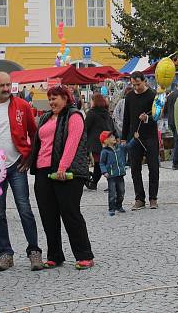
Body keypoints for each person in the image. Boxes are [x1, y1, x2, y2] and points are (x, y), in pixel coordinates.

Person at [0, 72, 44, 272]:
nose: (5, 89)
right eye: (2, 85)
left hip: (17, 165)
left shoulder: (22, 105)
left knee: (25, 209)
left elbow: (34, 132)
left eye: (8, 85)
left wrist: (28, 157)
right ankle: (5, 253)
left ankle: (34, 251)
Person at [31, 85, 94, 270]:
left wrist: (62, 167)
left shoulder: (74, 116)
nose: (51, 102)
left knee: (70, 213)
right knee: (48, 215)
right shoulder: (45, 117)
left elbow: (73, 143)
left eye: (55, 98)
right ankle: (55, 255)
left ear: (66, 98)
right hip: (43, 170)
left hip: (67, 172)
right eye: (50, 98)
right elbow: (39, 143)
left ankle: (84, 255)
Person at [122, 72, 160, 210]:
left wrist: (148, 118)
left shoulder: (153, 95)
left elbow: (157, 115)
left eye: (138, 84)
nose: (136, 87)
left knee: (153, 168)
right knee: (135, 169)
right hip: (134, 137)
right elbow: (126, 118)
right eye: (133, 84)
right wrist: (123, 138)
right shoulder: (130, 96)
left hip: (150, 136)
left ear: (144, 81)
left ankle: (153, 198)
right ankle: (139, 198)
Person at [83, 93, 114, 190]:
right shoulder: (106, 113)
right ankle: (111, 183)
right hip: (108, 141)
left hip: (96, 142)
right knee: (107, 163)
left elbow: (85, 127)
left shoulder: (92, 113)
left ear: (94, 101)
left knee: (98, 163)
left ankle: (94, 183)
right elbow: (112, 127)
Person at [99, 131, 129, 216]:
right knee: (112, 193)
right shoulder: (105, 152)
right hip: (111, 176)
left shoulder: (119, 148)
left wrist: (135, 139)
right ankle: (111, 208)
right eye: (111, 137)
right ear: (105, 141)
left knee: (121, 192)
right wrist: (104, 172)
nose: (114, 138)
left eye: (113, 136)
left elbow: (128, 146)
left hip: (120, 174)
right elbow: (101, 163)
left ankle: (119, 205)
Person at [164, 81, 178, 170]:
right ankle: (176, 162)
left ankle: (177, 161)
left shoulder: (170, 95)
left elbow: (165, 109)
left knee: (177, 141)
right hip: (177, 121)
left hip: (171, 121)